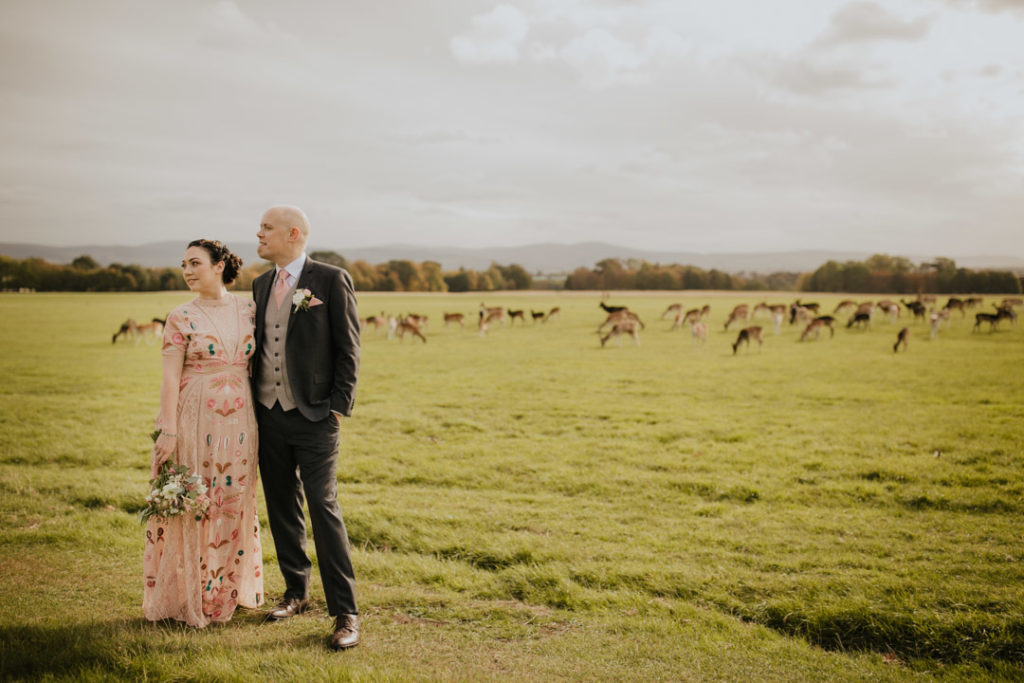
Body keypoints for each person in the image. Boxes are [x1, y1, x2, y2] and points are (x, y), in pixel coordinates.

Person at [252, 205, 361, 650]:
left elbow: (349, 348)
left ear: (293, 234)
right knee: (281, 505)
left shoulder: (330, 279)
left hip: (316, 417)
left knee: (323, 506)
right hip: (268, 414)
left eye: (266, 228)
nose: (258, 234)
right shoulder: (260, 284)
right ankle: (295, 592)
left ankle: (346, 613)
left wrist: (338, 407)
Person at [144, 240, 264, 627]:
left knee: (233, 498)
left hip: (242, 421)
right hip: (194, 417)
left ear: (219, 266)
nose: (188, 271)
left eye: (195, 263)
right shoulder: (180, 315)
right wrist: (168, 430)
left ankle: (225, 590)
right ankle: (188, 594)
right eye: (184, 264)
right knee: (196, 502)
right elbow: (168, 378)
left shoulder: (249, 308)